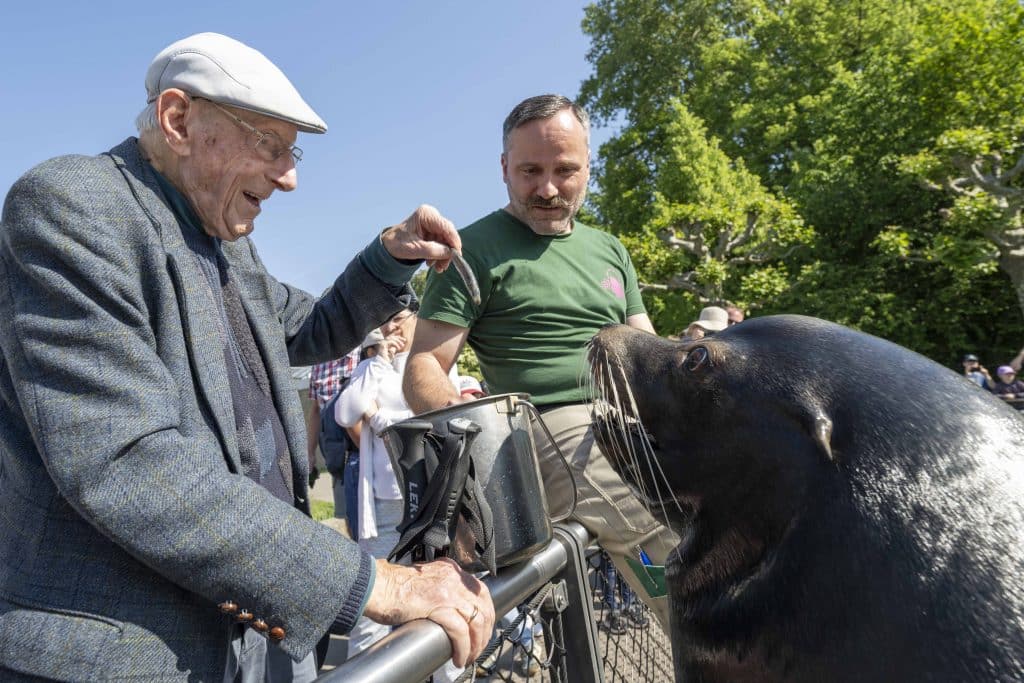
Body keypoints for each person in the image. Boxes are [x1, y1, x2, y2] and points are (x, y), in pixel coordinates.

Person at [0, 32, 493, 681]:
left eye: (294, 153)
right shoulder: (70, 208)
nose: (289, 178)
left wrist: (388, 255)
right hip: (134, 657)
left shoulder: (227, 243)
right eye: (271, 146)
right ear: (179, 120)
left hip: (256, 645)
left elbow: (311, 328)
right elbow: (129, 463)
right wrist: (377, 582)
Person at [403, 94, 679, 633]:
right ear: (504, 167)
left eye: (564, 170)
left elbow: (649, 351)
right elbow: (422, 369)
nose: (548, 189)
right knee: (657, 531)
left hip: (634, 420)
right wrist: (471, 426)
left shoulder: (610, 248)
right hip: (552, 428)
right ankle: (732, 653)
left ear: (587, 168)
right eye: (530, 171)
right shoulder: (469, 251)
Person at [307, 347, 361, 533]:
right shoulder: (319, 363)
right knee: (348, 521)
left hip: (365, 457)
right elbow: (315, 411)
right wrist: (310, 453)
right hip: (337, 460)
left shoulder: (365, 353)